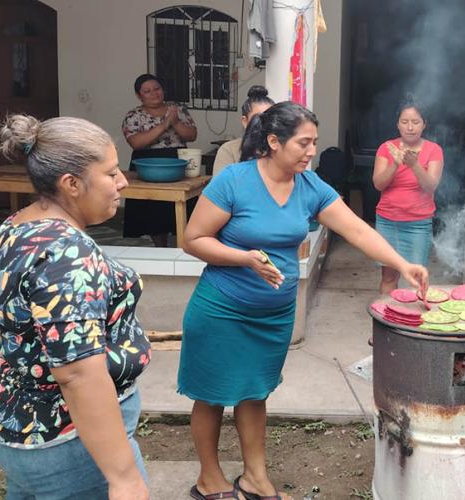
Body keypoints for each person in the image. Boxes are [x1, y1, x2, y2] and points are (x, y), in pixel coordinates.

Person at [178, 101, 428, 500]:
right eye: (304, 143)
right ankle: (210, 480)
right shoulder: (234, 182)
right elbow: (192, 239)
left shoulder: (310, 186)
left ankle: (254, 479)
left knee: (254, 392)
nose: (312, 151)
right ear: (274, 142)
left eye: (314, 142)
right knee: (211, 394)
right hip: (223, 307)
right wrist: (245, 258)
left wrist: (404, 264)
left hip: (273, 314)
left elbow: (359, 232)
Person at [0, 115, 151, 499]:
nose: (122, 182)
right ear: (72, 184)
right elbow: (78, 375)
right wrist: (124, 477)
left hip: (22, 427)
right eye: (111, 173)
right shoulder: (67, 255)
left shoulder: (16, 226)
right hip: (71, 441)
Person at [372, 101, 444, 294]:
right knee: (388, 276)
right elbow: (378, 184)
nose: (410, 127)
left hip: (418, 224)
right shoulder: (386, 148)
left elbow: (431, 186)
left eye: (415, 121)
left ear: (424, 124)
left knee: (418, 277)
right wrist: (395, 164)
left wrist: (414, 165)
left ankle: (412, 321)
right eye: (405, 121)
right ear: (398, 124)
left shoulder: (434, 150)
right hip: (388, 221)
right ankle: (386, 318)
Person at [122, 73, 198, 247]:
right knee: (154, 211)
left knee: (182, 206)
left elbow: (192, 135)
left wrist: (175, 121)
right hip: (147, 164)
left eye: (157, 89)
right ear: (139, 95)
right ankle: (160, 247)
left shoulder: (177, 110)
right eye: (147, 91)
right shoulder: (134, 116)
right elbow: (136, 142)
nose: (154, 93)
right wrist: (164, 125)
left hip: (177, 162)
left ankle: (185, 247)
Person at [212, 85, 275, 176]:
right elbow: (220, 187)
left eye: (270, 117)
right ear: (245, 121)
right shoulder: (229, 150)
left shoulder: (279, 149)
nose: (265, 123)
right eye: (258, 118)